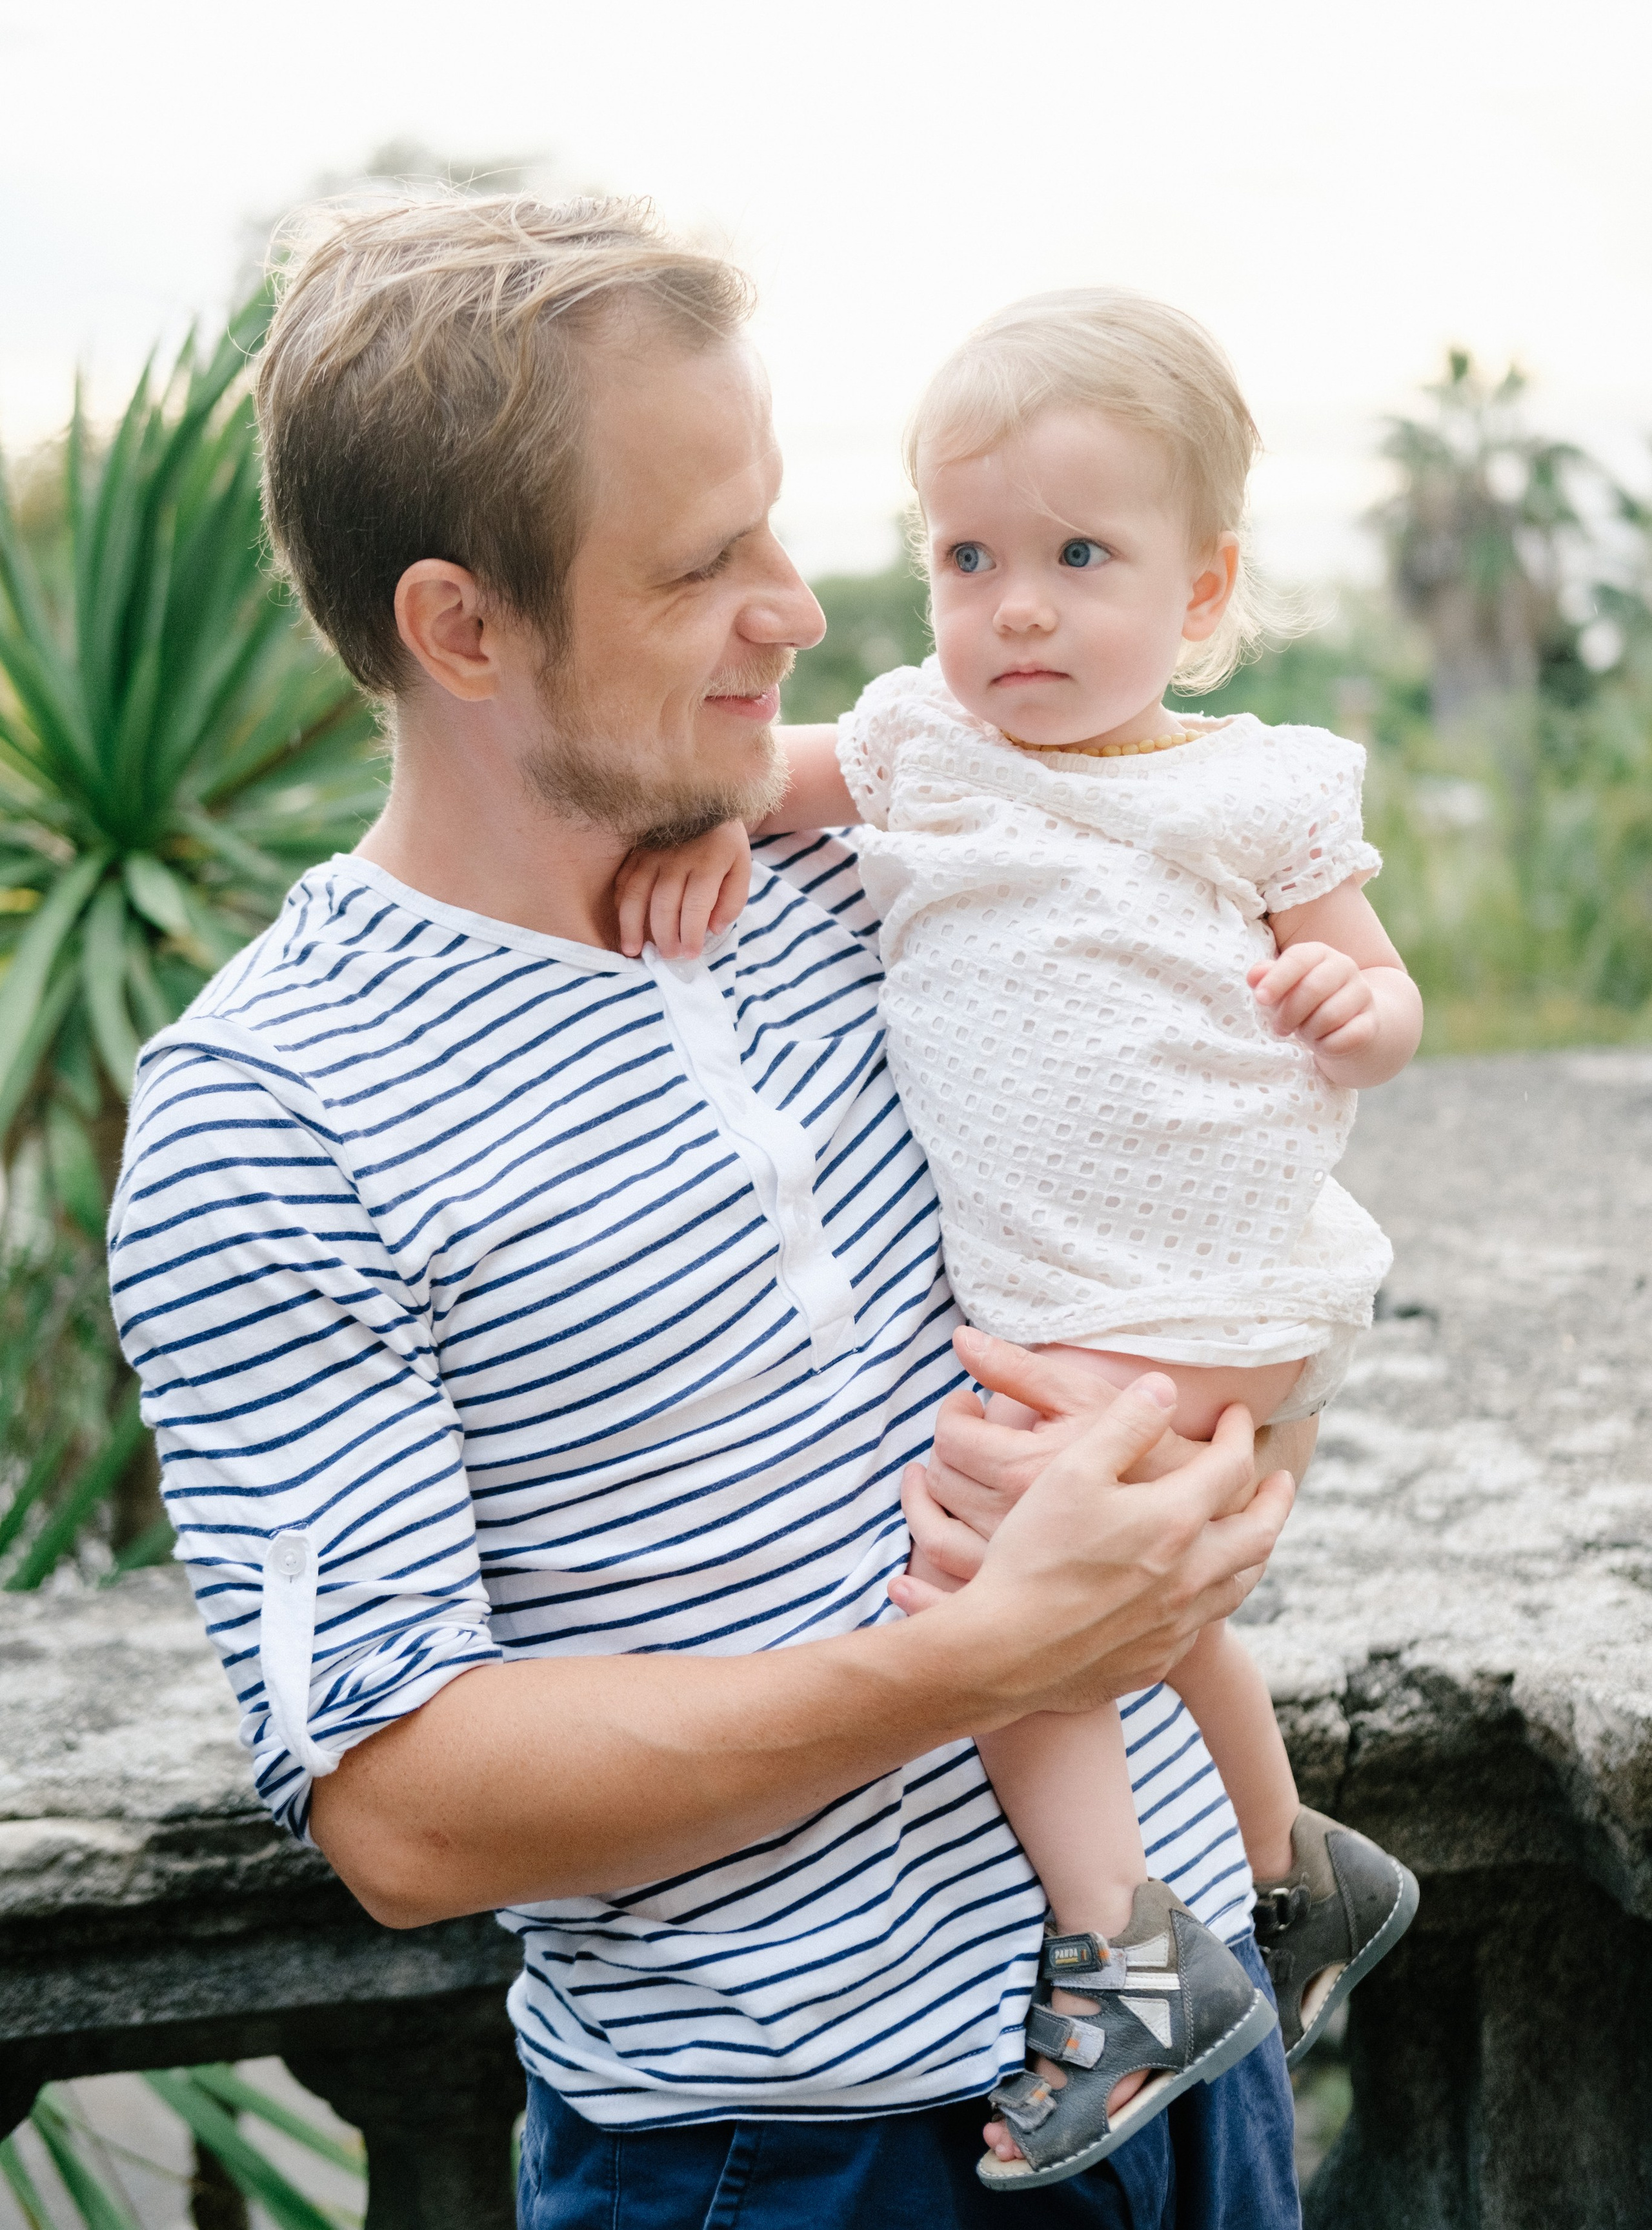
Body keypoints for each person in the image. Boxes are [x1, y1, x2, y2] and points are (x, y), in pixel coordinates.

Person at [108, 197, 1305, 2230]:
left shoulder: (882, 873)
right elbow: (402, 1811)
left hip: (1198, 2055)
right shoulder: (273, 1118)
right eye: (700, 566)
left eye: (777, 528)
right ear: (462, 630)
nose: (800, 612)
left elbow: (1230, 1223)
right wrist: (981, 1658)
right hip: (787, 2160)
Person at [615, 290, 1424, 2189]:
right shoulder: (920, 740)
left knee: (1007, 1609)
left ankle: (1124, 1953)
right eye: (970, 560)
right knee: (1151, 1600)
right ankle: (1293, 1870)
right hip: (1089, 1291)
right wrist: (708, 829)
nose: (1020, 612)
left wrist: (1353, 1010)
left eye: (1080, 559)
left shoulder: (1255, 785)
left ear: (1203, 588)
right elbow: (750, 777)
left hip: (1207, 1272)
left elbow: (1386, 994)